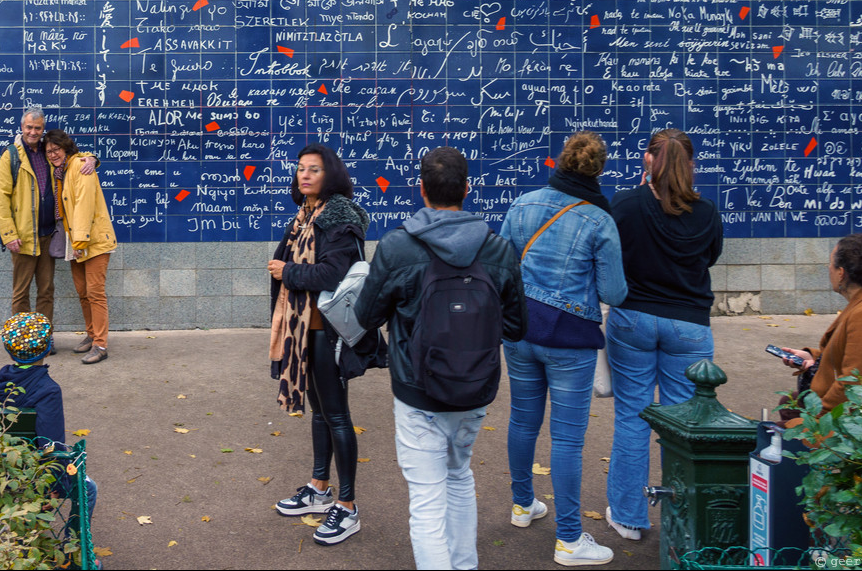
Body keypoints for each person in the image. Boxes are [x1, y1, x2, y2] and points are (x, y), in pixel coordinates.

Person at [354, 146, 526, 570]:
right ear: (467, 189)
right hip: (475, 392)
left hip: (418, 392)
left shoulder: (398, 247)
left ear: (421, 190)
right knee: (459, 476)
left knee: (427, 502)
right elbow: (517, 327)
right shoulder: (498, 250)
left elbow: (364, 316)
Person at [498, 132, 626, 566]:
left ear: (561, 162)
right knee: (568, 438)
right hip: (571, 339)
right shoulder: (600, 220)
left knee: (522, 420)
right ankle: (569, 539)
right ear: (598, 170)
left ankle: (522, 505)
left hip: (520, 332)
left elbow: (501, 266)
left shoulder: (523, 204)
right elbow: (614, 290)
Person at [605, 128, 723, 543]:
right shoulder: (706, 211)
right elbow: (710, 255)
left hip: (633, 318)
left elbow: (612, 251)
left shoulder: (625, 203)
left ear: (647, 160)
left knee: (632, 416)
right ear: (691, 165)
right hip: (689, 325)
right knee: (682, 424)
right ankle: (682, 517)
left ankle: (629, 517)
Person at [268, 143, 370, 546]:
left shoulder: (339, 218)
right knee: (320, 413)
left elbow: (331, 273)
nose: (304, 175)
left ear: (331, 175)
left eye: (314, 169)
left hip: (329, 330)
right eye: (300, 169)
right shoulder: (306, 215)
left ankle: (347, 507)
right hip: (305, 329)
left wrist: (287, 271)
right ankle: (318, 487)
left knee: (338, 415)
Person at [0, 107, 96, 354]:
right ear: (22, 127)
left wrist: (92, 158)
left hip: (49, 235)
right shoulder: (11, 156)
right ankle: (21, 343)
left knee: (47, 291)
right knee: (21, 293)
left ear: (43, 129)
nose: (33, 132)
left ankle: (43, 340)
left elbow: (74, 155)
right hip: (23, 238)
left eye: (38, 128)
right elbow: (1, 197)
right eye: (29, 127)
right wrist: (9, 235)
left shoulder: (50, 150)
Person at [779, 232, 862, 416]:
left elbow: (852, 386)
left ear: (841, 273)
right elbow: (856, 356)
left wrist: (816, 420)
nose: (828, 268)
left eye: (830, 263)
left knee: (783, 423)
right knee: (788, 404)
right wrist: (813, 358)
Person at [0, 312, 98, 518]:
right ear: (48, 350)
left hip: (7, 463)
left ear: (9, 350)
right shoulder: (48, 390)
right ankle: (73, 544)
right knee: (89, 488)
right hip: (34, 470)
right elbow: (51, 443)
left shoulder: (0, 380)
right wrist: (56, 486)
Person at [43, 129, 116, 365]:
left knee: (95, 293)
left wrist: (80, 242)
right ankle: (92, 335)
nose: (53, 154)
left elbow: (84, 205)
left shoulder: (81, 167)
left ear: (66, 148)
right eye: (49, 151)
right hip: (74, 240)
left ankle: (101, 344)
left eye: (56, 149)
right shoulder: (60, 172)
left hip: (91, 241)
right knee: (83, 293)